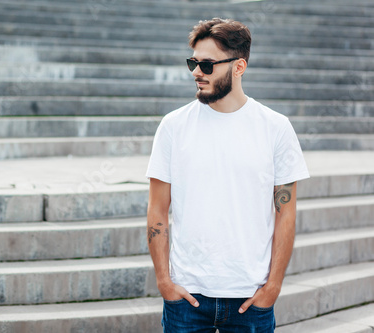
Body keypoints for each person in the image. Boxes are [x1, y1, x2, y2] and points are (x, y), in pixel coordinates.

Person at [146, 18, 310, 332]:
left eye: (207, 64)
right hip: (187, 297)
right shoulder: (173, 126)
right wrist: (164, 281)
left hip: (251, 297)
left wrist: (273, 286)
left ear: (238, 67)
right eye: (193, 62)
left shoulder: (276, 128)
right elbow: (157, 209)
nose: (196, 72)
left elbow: (285, 212)